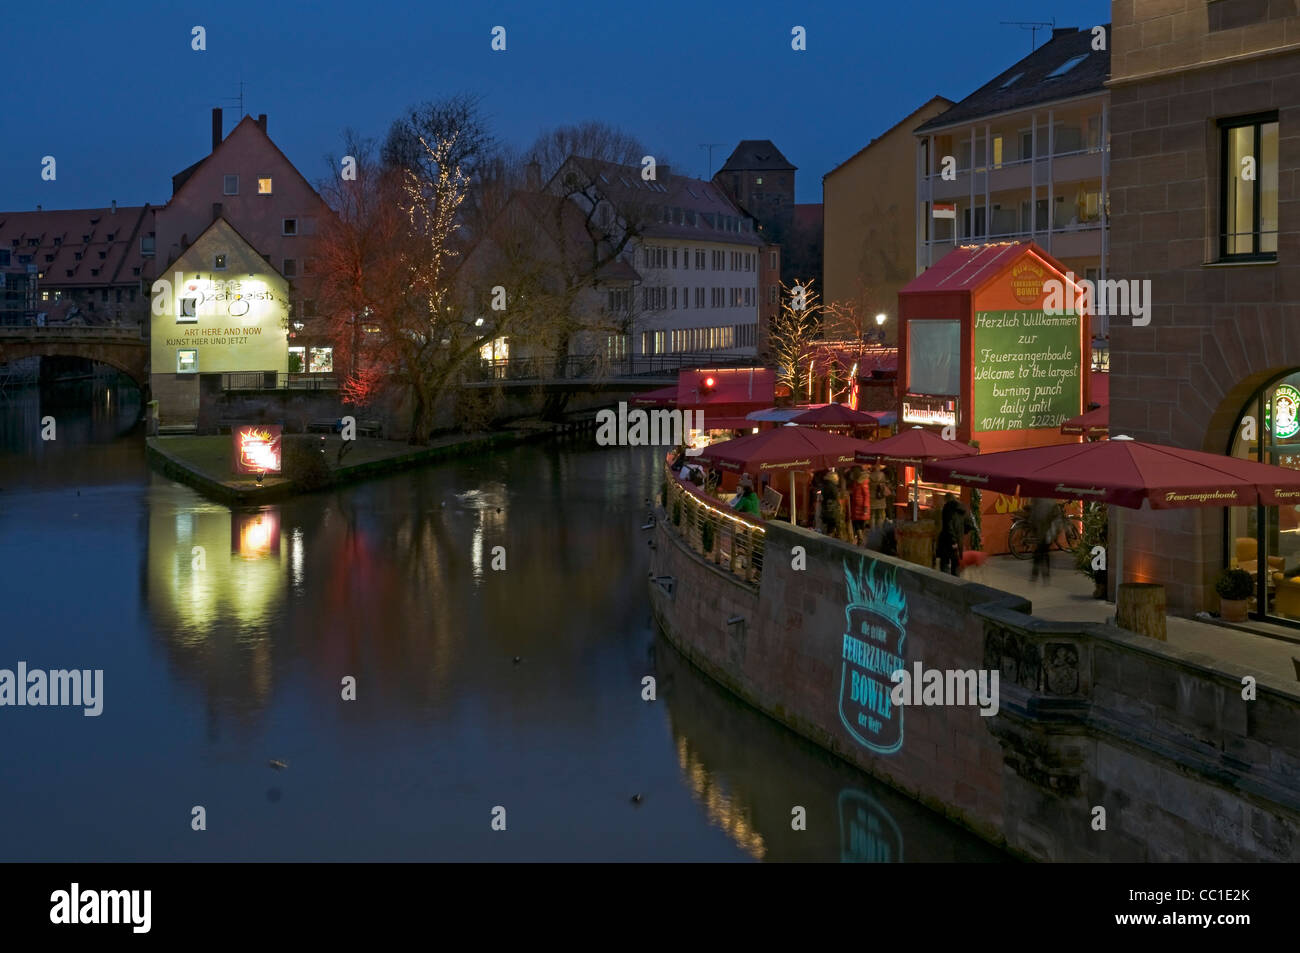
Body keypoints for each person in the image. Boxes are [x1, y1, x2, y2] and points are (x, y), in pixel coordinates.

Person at [1028, 497, 1063, 581]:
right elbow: (1057, 518)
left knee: (1041, 551)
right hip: (1047, 531)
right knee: (1043, 551)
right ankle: (1042, 574)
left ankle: (1037, 573)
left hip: (1042, 530)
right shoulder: (1050, 502)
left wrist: (1033, 527)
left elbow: (1034, 516)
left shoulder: (1038, 501)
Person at [936, 493, 969, 576]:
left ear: (946, 499)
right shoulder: (963, 508)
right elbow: (968, 525)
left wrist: (953, 540)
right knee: (956, 563)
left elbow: (948, 526)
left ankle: (945, 582)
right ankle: (955, 582)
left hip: (947, 540)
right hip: (958, 539)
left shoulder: (947, 508)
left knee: (944, 562)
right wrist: (961, 533)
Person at [849, 466, 871, 544]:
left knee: (858, 522)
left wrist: (865, 507)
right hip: (856, 505)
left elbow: (866, 495)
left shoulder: (862, 482)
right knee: (857, 522)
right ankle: (860, 537)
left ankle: (860, 537)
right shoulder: (857, 482)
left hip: (860, 506)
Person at [821, 471, 844, 538]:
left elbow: (820, 493)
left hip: (826, 508)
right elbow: (836, 497)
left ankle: (829, 538)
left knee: (830, 526)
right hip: (833, 509)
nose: (838, 478)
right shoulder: (833, 487)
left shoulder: (824, 485)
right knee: (834, 525)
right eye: (837, 477)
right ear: (833, 478)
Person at [869, 463, 889, 529]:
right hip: (881, 497)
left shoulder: (870, 475)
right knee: (880, 515)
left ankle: (872, 530)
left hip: (872, 497)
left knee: (872, 515)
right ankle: (879, 530)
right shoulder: (882, 475)